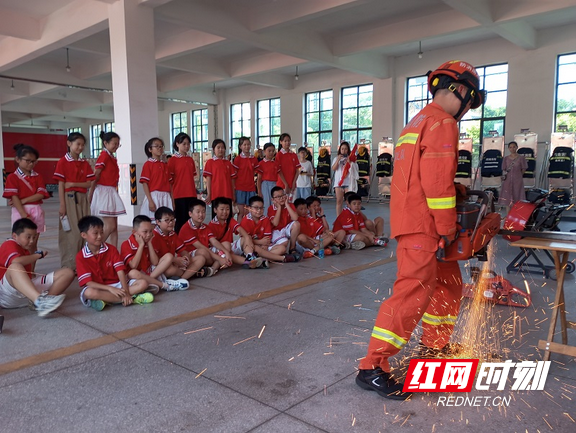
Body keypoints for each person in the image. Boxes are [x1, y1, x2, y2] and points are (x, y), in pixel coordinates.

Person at [356, 60, 486, 400]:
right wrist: (448, 228)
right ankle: (371, 366)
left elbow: (418, 177)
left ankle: (434, 347)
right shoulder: (443, 123)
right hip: (425, 226)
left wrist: (451, 194)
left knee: (448, 284)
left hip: (412, 220)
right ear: (460, 91)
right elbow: (435, 182)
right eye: (469, 102)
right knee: (410, 295)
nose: (467, 110)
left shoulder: (415, 122)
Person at [0, 218, 74, 317]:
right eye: (28, 237)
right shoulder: (9, 244)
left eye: (34, 237)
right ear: (14, 236)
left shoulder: (24, 248)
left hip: (25, 293)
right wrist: (38, 255)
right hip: (7, 295)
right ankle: (40, 301)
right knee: (15, 266)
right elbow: (16, 261)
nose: (32, 241)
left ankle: (44, 302)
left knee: (68, 273)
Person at [76, 216, 151, 311]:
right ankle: (131, 299)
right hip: (99, 288)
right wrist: (110, 289)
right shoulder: (81, 256)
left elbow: (120, 272)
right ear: (83, 235)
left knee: (143, 283)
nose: (100, 236)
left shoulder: (111, 249)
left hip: (117, 284)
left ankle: (108, 300)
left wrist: (126, 292)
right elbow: (88, 282)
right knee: (89, 292)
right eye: (95, 233)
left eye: (101, 232)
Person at [54, 132, 94, 270]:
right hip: (69, 199)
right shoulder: (62, 162)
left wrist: (72, 184)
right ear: (69, 143)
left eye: (83, 145)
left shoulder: (84, 163)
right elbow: (61, 185)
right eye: (78, 144)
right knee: (72, 233)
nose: (80, 147)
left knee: (85, 231)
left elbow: (89, 183)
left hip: (82, 198)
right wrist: (62, 205)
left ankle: (82, 263)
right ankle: (70, 264)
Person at [3, 144, 49, 263]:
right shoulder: (12, 177)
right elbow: (14, 197)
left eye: (34, 162)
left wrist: (23, 200)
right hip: (20, 212)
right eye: (28, 161)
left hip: (36, 211)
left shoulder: (38, 176)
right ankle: (21, 270)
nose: (31, 164)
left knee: (33, 243)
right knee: (21, 242)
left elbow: (41, 194)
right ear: (18, 160)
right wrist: (23, 213)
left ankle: (31, 272)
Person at [121, 215, 189, 292]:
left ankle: (151, 282)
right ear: (134, 232)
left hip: (150, 273)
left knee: (169, 256)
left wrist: (149, 243)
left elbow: (155, 262)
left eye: (150, 231)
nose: (149, 234)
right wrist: (141, 246)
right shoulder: (126, 244)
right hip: (135, 278)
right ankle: (164, 285)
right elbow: (133, 265)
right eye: (145, 232)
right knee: (133, 273)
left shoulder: (148, 241)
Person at [89, 131, 126, 248]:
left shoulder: (111, 157)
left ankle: (114, 252)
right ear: (106, 143)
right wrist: (91, 192)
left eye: (118, 144)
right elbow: (96, 174)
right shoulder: (104, 156)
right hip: (104, 191)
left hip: (110, 191)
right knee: (110, 226)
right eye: (114, 144)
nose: (116, 146)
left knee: (114, 227)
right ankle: (94, 247)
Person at [152, 207, 209, 280]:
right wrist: (175, 260)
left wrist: (185, 259)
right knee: (169, 270)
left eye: (172, 220)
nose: (171, 222)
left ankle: (181, 279)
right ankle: (188, 274)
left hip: (175, 264)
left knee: (200, 259)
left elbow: (183, 251)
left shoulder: (173, 234)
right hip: (161, 266)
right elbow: (154, 261)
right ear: (158, 222)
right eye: (167, 220)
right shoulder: (153, 235)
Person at [179, 198, 231, 276]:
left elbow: (214, 241)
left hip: (207, 254)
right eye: (198, 212)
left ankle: (212, 269)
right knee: (202, 252)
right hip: (192, 256)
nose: (201, 214)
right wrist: (219, 258)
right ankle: (217, 263)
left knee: (226, 244)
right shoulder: (186, 228)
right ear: (190, 214)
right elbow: (201, 247)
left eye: (203, 211)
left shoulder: (205, 227)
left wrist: (227, 252)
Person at [240, 195, 300, 263]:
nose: (259, 210)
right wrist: (260, 242)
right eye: (256, 208)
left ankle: (261, 259)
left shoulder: (265, 219)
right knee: (255, 248)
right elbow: (245, 240)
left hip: (265, 246)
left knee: (282, 248)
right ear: (249, 208)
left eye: (261, 208)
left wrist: (265, 244)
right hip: (252, 246)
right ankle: (277, 258)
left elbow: (267, 237)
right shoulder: (245, 221)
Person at [208, 197, 265, 269]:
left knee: (246, 237)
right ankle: (249, 262)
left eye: (227, 209)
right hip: (219, 250)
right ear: (215, 210)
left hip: (230, 247)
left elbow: (240, 230)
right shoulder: (211, 225)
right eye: (222, 209)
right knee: (226, 244)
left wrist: (247, 238)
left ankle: (250, 257)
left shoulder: (230, 220)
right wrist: (226, 251)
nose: (225, 212)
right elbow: (213, 243)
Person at [168, 132, 198, 234]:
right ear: (177, 144)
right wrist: (172, 198)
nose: (186, 146)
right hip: (178, 195)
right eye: (184, 144)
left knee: (191, 221)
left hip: (191, 194)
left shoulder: (190, 160)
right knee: (180, 221)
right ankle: (179, 244)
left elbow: (191, 178)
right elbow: (170, 182)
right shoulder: (172, 160)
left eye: (188, 144)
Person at [140, 137, 173, 223]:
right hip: (154, 197)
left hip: (166, 197)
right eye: (157, 146)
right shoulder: (148, 164)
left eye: (161, 146)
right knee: (153, 223)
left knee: (166, 224)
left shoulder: (165, 165)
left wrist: (172, 201)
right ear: (150, 149)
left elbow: (170, 185)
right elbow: (145, 183)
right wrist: (150, 201)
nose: (160, 148)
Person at [268, 186, 301, 258]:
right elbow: (275, 223)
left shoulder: (290, 205)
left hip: (286, 228)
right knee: (284, 244)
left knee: (296, 224)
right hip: (277, 231)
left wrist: (286, 204)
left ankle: (292, 248)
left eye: (283, 195)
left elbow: (295, 218)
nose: (281, 198)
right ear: (273, 199)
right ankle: (268, 255)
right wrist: (279, 207)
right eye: (278, 197)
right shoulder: (271, 208)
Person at [203, 139, 236, 205]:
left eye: (223, 148)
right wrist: (209, 194)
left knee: (227, 213)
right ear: (213, 149)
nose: (221, 150)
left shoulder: (228, 163)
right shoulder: (210, 162)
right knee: (216, 214)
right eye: (218, 147)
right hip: (215, 194)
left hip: (227, 194)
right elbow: (208, 179)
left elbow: (232, 181)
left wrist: (233, 194)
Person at [233, 137, 258, 221]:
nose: (247, 146)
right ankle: (240, 232)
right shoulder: (237, 159)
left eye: (248, 144)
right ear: (240, 146)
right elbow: (234, 176)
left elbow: (257, 173)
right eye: (244, 145)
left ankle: (248, 231)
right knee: (240, 212)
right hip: (240, 188)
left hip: (251, 188)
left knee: (249, 213)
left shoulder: (254, 159)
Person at [256, 142, 287, 213]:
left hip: (274, 184)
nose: (271, 153)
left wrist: (285, 184)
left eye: (273, 151)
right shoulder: (261, 163)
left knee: (275, 203)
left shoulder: (276, 163)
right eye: (269, 151)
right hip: (265, 185)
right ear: (264, 151)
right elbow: (259, 179)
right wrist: (259, 191)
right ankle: (266, 220)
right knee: (266, 203)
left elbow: (280, 174)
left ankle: (275, 219)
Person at [500, 140, 527, 211]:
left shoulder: (521, 158)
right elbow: (504, 169)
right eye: (510, 147)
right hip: (507, 181)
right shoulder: (505, 158)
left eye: (514, 147)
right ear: (508, 148)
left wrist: (518, 176)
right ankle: (508, 216)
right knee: (507, 198)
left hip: (517, 180)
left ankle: (516, 215)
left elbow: (524, 168)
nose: (512, 149)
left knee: (517, 196)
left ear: (517, 147)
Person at [332, 141, 357, 215]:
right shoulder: (336, 158)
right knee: (339, 201)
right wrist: (338, 160)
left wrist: (350, 162)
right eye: (342, 149)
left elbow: (354, 169)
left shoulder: (351, 158)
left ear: (348, 150)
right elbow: (334, 168)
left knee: (350, 201)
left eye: (345, 149)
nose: (344, 150)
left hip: (348, 183)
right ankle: (339, 218)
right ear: (340, 150)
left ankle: (350, 217)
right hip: (338, 183)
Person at [275, 133, 300, 197]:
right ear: (281, 142)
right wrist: (286, 184)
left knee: (293, 205)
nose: (287, 143)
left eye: (289, 141)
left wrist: (294, 183)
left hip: (293, 185)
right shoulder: (279, 155)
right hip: (282, 185)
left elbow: (297, 170)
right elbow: (279, 171)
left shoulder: (293, 154)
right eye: (285, 141)